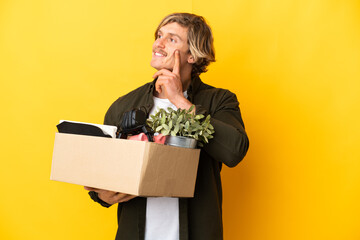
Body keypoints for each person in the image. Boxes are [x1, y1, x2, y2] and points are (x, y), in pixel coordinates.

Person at [84, 12, 249, 240]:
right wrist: (102, 196)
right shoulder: (123, 105)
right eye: (159, 35)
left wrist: (179, 101)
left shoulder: (219, 100)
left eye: (171, 39)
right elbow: (103, 173)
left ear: (192, 55)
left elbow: (234, 151)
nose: (158, 44)